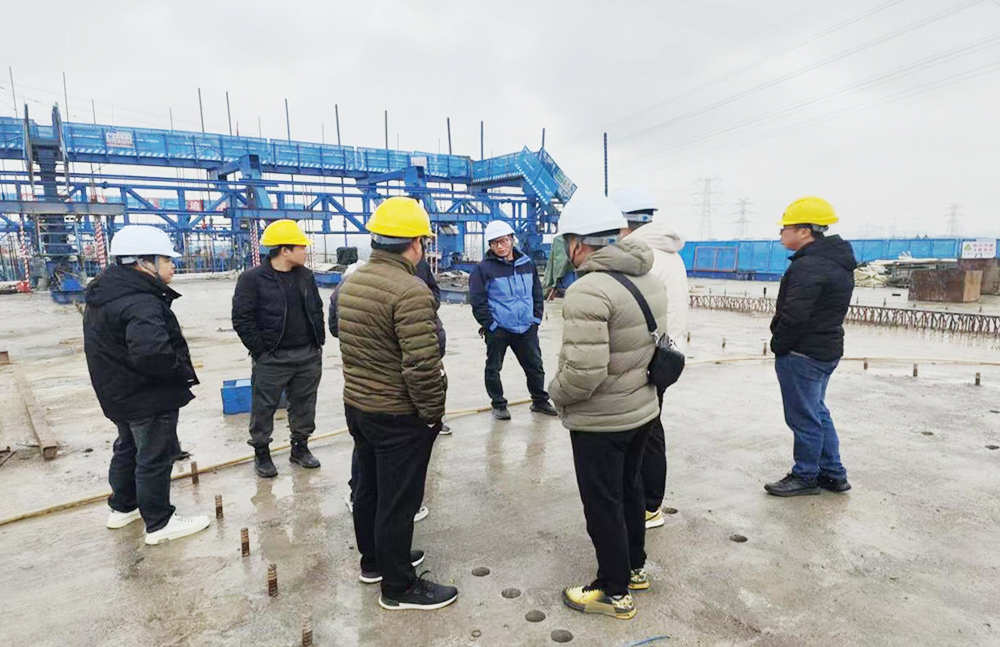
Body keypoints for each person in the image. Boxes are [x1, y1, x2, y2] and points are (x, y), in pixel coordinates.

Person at [548, 193, 668, 620]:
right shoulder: (648, 278)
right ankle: (634, 568)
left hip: (602, 421)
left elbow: (584, 374)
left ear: (578, 243)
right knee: (630, 491)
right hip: (642, 409)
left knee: (602, 504)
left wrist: (555, 392)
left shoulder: (587, 290)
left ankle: (613, 592)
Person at [337, 196, 457, 610]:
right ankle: (399, 587)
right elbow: (422, 365)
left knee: (368, 488)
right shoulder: (410, 290)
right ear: (415, 243)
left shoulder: (351, 282)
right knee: (399, 500)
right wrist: (432, 415)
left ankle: (375, 561)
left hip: (359, 405)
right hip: (396, 413)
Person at [83, 225, 209, 545]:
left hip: (118, 393)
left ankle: (123, 507)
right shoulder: (141, 301)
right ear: (143, 263)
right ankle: (160, 523)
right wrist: (177, 374)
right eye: (166, 260)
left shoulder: (106, 294)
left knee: (128, 448)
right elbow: (152, 353)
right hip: (147, 395)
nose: (172, 266)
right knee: (155, 455)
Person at [765, 197, 856, 497]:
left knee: (804, 418)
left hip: (802, 354)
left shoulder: (810, 266)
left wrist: (779, 345)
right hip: (825, 349)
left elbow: (795, 316)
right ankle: (833, 473)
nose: (781, 233)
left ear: (804, 231)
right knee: (817, 411)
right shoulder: (836, 260)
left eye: (785, 228)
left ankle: (805, 475)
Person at [612, 187, 689, 531]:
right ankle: (647, 501)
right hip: (668, 353)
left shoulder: (641, 255)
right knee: (650, 426)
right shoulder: (668, 252)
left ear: (622, 224)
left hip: (648, 356)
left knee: (646, 431)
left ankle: (648, 506)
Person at [232, 219, 326, 478]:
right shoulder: (252, 279)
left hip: (307, 354)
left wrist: (317, 343)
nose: (305, 251)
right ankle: (261, 452)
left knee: (305, 404)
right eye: (301, 247)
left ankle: (300, 448)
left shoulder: (306, 276)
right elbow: (242, 318)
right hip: (272, 357)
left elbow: (316, 308)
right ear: (284, 250)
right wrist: (261, 351)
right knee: (264, 406)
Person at [469, 220, 557, 420]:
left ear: (511, 239)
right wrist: (491, 325)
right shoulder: (483, 269)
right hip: (499, 328)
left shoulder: (527, 263)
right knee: (493, 368)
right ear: (489, 245)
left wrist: (535, 320)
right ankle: (498, 404)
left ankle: (539, 401)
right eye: (494, 243)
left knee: (535, 367)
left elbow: (536, 292)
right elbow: (477, 301)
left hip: (526, 327)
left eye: (503, 241)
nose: (500, 247)